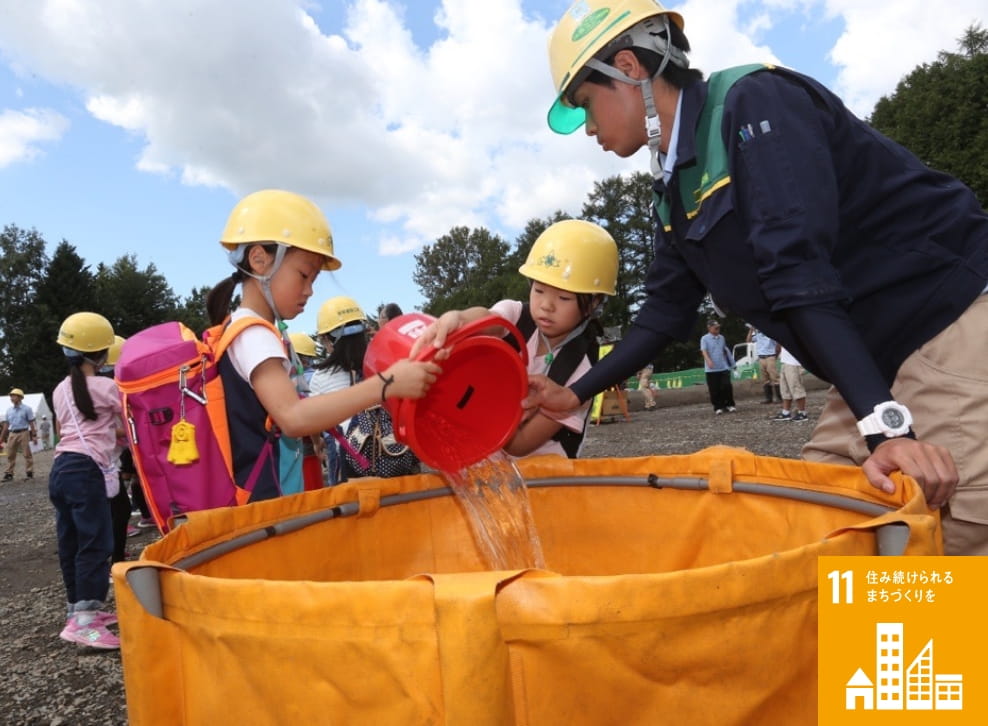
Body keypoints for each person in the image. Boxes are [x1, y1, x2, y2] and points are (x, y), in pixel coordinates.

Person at [536, 0, 988, 554]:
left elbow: (798, 272)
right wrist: (571, 394)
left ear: (629, 69)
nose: (588, 129)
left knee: (942, 531)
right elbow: (661, 316)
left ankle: (933, 636)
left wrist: (889, 431)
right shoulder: (675, 188)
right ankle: (876, 638)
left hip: (948, 321)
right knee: (822, 526)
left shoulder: (754, 104)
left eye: (586, 104)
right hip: (872, 358)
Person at [203, 189, 439, 501]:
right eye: (303, 275)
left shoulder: (247, 330)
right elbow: (293, 418)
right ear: (259, 260)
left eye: (313, 280)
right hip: (260, 510)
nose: (309, 290)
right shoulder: (254, 335)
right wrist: (386, 384)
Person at [413, 219, 618, 458]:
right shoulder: (517, 315)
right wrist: (459, 318)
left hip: (548, 477)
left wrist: (484, 407)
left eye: (563, 298)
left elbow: (519, 445)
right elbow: (486, 321)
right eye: (539, 290)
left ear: (593, 303)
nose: (546, 306)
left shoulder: (582, 370)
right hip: (490, 456)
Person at [49, 312, 121, 649]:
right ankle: (86, 622)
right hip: (86, 471)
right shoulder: (107, 387)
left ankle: (76, 609)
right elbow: (132, 419)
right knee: (96, 543)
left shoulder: (61, 390)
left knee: (72, 543)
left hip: (61, 469)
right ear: (103, 353)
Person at [309, 296, 370, 485]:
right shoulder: (378, 363)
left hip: (349, 462)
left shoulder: (320, 377)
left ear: (327, 340)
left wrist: (316, 443)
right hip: (391, 455)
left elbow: (313, 421)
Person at [699, 320, 736, 415]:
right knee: (714, 389)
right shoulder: (704, 338)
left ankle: (729, 404)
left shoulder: (722, 338)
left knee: (727, 386)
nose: (718, 329)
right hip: (711, 369)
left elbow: (725, 350)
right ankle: (718, 407)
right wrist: (708, 360)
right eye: (716, 328)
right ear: (709, 328)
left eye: (718, 327)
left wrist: (731, 364)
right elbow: (704, 351)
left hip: (723, 366)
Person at [2, 387, 38, 480]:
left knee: (27, 453)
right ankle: (9, 474)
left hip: (24, 432)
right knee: (10, 454)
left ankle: (29, 472)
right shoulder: (9, 410)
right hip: (12, 433)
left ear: (20, 397)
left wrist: (34, 435)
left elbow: (31, 423)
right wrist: (1, 438)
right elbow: (6, 425)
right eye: (11, 396)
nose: (11, 398)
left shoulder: (27, 409)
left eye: (13, 396)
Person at [772, 347, 808, 423]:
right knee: (785, 389)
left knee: (796, 387)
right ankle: (786, 412)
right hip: (785, 362)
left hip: (794, 363)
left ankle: (802, 413)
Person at [747, 325, 781, 404]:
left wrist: (775, 355)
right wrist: (751, 330)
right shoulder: (757, 334)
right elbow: (748, 341)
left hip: (770, 356)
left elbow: (778, 344)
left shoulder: (770, 333)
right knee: (765, 379)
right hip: (761, 357)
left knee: (775, 377)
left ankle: (779, 397)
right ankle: (768, 398)